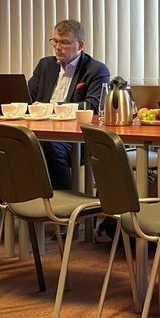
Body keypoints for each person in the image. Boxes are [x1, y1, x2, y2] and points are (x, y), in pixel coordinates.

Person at [28, 19, 110, 190]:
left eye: (64, 42)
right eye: (55, 41)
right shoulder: (45, 65)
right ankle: (7, 205)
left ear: (80, 45)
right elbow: (28, 98)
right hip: (40, 132)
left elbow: (93, 106)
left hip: (74, 138)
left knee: (51, 147)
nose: (58, 47)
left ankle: (64, 206)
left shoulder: (96, 70)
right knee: (7, 143)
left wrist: (51, 108)